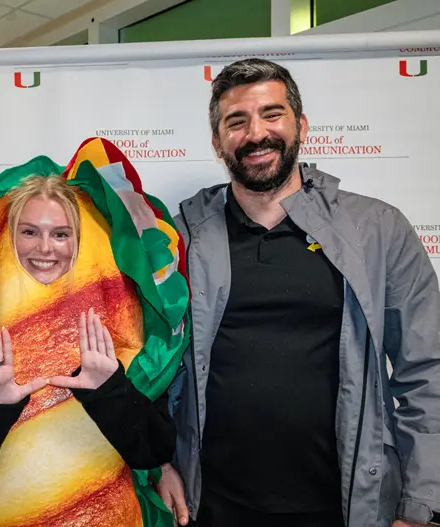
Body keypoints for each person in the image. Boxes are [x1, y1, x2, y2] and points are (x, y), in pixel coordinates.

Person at [156, 58, 440, 527]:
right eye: (236, 121)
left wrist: (422, 503)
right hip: (211, 504)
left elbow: (427, 368)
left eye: (272, 114)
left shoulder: (376, 229)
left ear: (301, 125)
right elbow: (150, 368)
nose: (256, 133)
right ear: (217, 142)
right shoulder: (181, 236)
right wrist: (159, 462)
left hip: (345, 504)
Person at [0, 140, 191, 526]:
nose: (45, 248)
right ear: (8, 237)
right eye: (30, 232)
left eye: (61, 234)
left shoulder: (120, 322)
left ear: (79, 240)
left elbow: (153, 452)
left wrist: (110, 389)